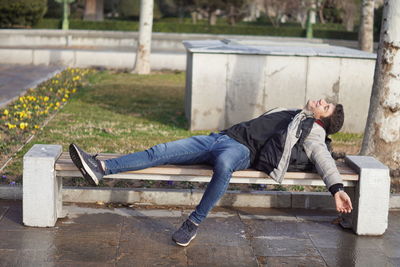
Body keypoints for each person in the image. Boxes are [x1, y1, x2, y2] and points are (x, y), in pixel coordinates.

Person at [69, 99, 353, 247]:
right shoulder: (294, 113)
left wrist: (337, 189)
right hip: (220, 138)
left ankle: (193, 223)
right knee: (161, 151)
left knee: (223, 166)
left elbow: (323, 158)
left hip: (241, 152)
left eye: (324, 105)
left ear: (322, 119)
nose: (319, 100)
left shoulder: (313, 131)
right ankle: (102, 167)